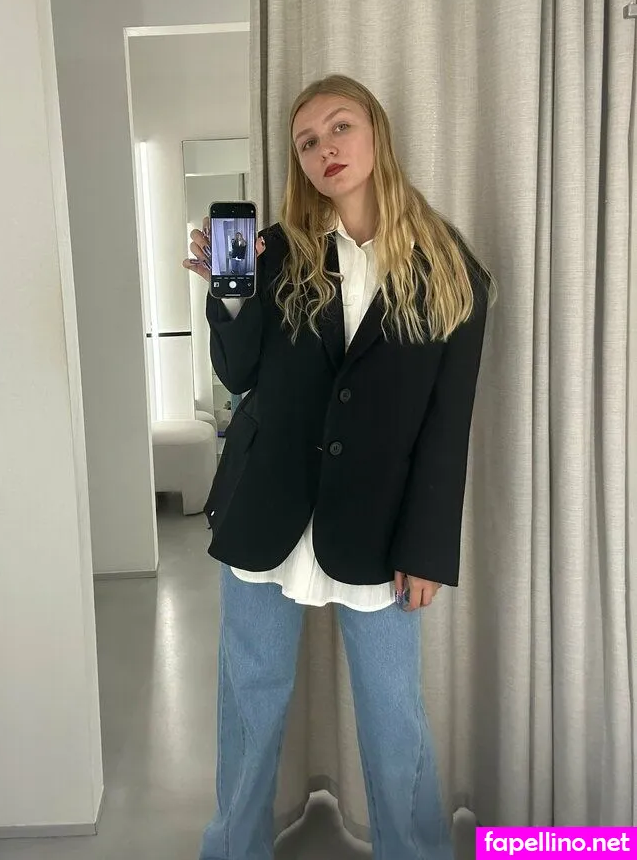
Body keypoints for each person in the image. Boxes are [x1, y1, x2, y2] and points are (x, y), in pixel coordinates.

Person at [182, 74, 494, 860]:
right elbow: (238, 374)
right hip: (266, 507)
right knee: (251, 702)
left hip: (378, 526)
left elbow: (447, 426)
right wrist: (229, 299)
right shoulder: (277, 252)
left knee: (394, 716)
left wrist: (427, 549)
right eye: (307, 142)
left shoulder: (451, 269)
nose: (325, 148)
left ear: (376, 131)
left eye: (340, 127)